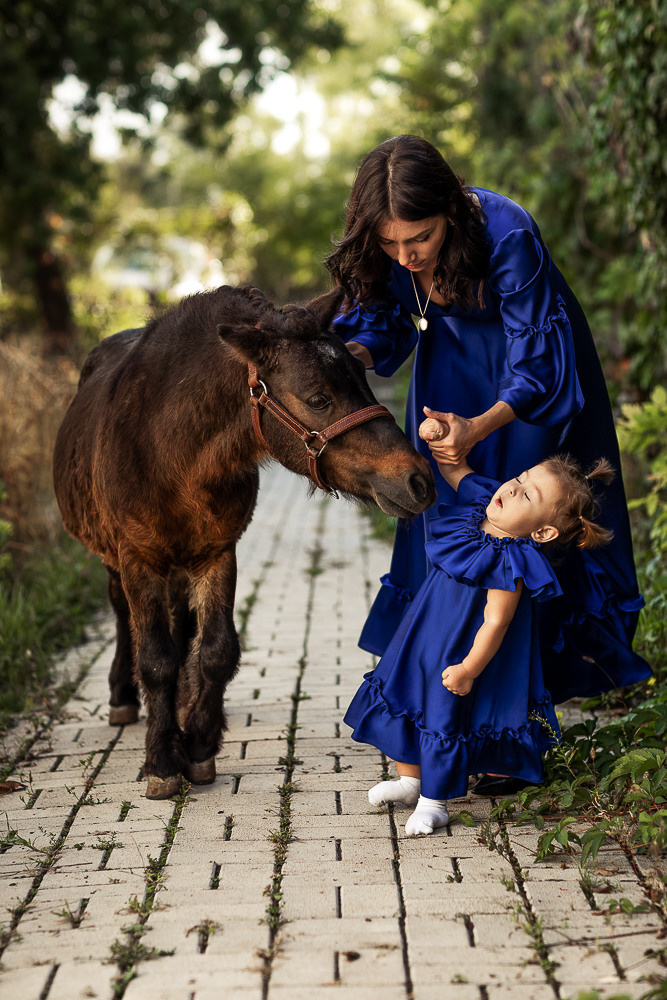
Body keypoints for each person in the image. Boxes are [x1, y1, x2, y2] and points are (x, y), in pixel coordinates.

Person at [326, 134, 650, 708]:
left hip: (526, 381)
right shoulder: (389, 247)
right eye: (390, 242)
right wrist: (349, 357)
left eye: (421, 237)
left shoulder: (507, 230)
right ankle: (442, 682)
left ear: (450, 210)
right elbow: (388, 325)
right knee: (448, 514)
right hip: (446, 370)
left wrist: (477, 427)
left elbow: (538, 370)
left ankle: (515, 700)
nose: (407, 257)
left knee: (515, 521)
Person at [344, 431, 615, 836]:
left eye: (527, 495)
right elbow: (457, 470)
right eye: (520, 478)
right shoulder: (476, 513)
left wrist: (469, 668)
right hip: (418, 639)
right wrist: (438, 434)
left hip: (457, 653)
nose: (512, 488)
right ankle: (410, 780)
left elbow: (496, 622)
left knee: (442, 714)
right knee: (403, 695)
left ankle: (434, 802)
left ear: (541, 533)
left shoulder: (512, 562)